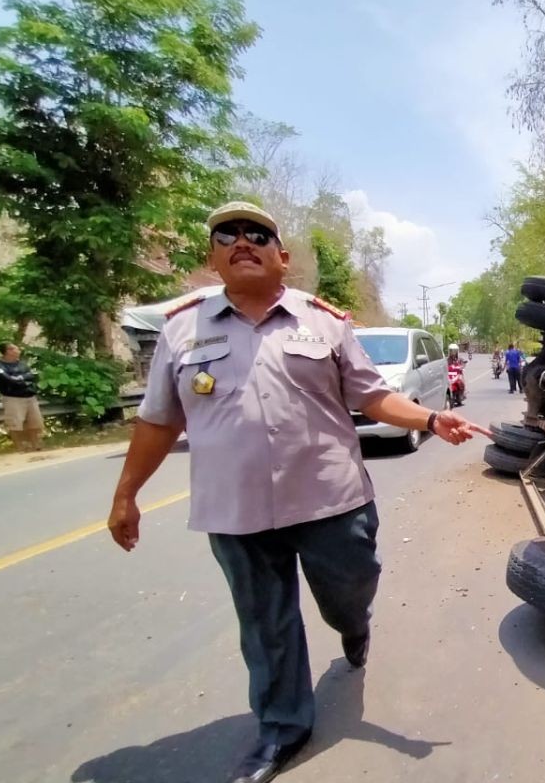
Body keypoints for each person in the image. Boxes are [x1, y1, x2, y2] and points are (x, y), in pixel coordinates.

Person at [107, 201, 491, 783]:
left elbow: (371, 396)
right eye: (227, 234)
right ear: (211, 257)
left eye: (257, 234)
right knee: (266, 623)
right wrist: (126, 493)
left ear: (281, 257)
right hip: (236, 512)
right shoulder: (182, 329)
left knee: (350, 588)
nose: (242, 240)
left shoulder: (324, 321)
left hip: (332, 502)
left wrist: (431, 421)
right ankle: (283, 728)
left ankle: (354, 625)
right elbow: (159, 420)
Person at [0, 342, 44, 452]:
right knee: (15, 424)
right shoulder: (0, 366)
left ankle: (36, 445)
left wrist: (19, 378)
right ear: (9, 351)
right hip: (13, 398)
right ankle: (20, 448)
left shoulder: (22, 364)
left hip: (29, 396)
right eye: (16, 349)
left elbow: (31, 376)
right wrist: (21, 380)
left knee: (35, 422)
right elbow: (7, 380)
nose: (19, 351)